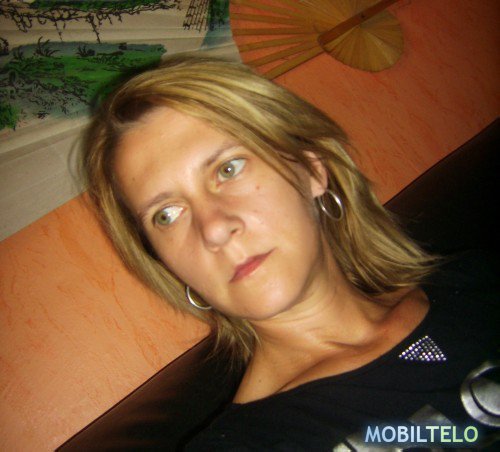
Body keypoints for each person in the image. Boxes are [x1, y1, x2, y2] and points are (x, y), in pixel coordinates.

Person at [83, 54, 499, 450]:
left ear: (313, 169)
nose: (213, 230)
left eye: (228, 168)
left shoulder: (478, 283)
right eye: (167, 215)